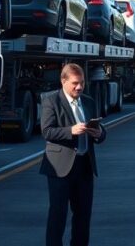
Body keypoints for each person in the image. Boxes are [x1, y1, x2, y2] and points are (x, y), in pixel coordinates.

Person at [40, 63, 106, 246]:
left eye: (82, 83)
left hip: (84, 166)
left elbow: (100, 129)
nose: (79, 87)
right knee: (58, 215)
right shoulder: (51, 101)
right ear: (63, 81)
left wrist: (100, 133)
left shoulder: (88, 101)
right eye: (75, 83)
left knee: (83, 215)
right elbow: (47, 131)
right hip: (60, 168)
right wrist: (71, 131)